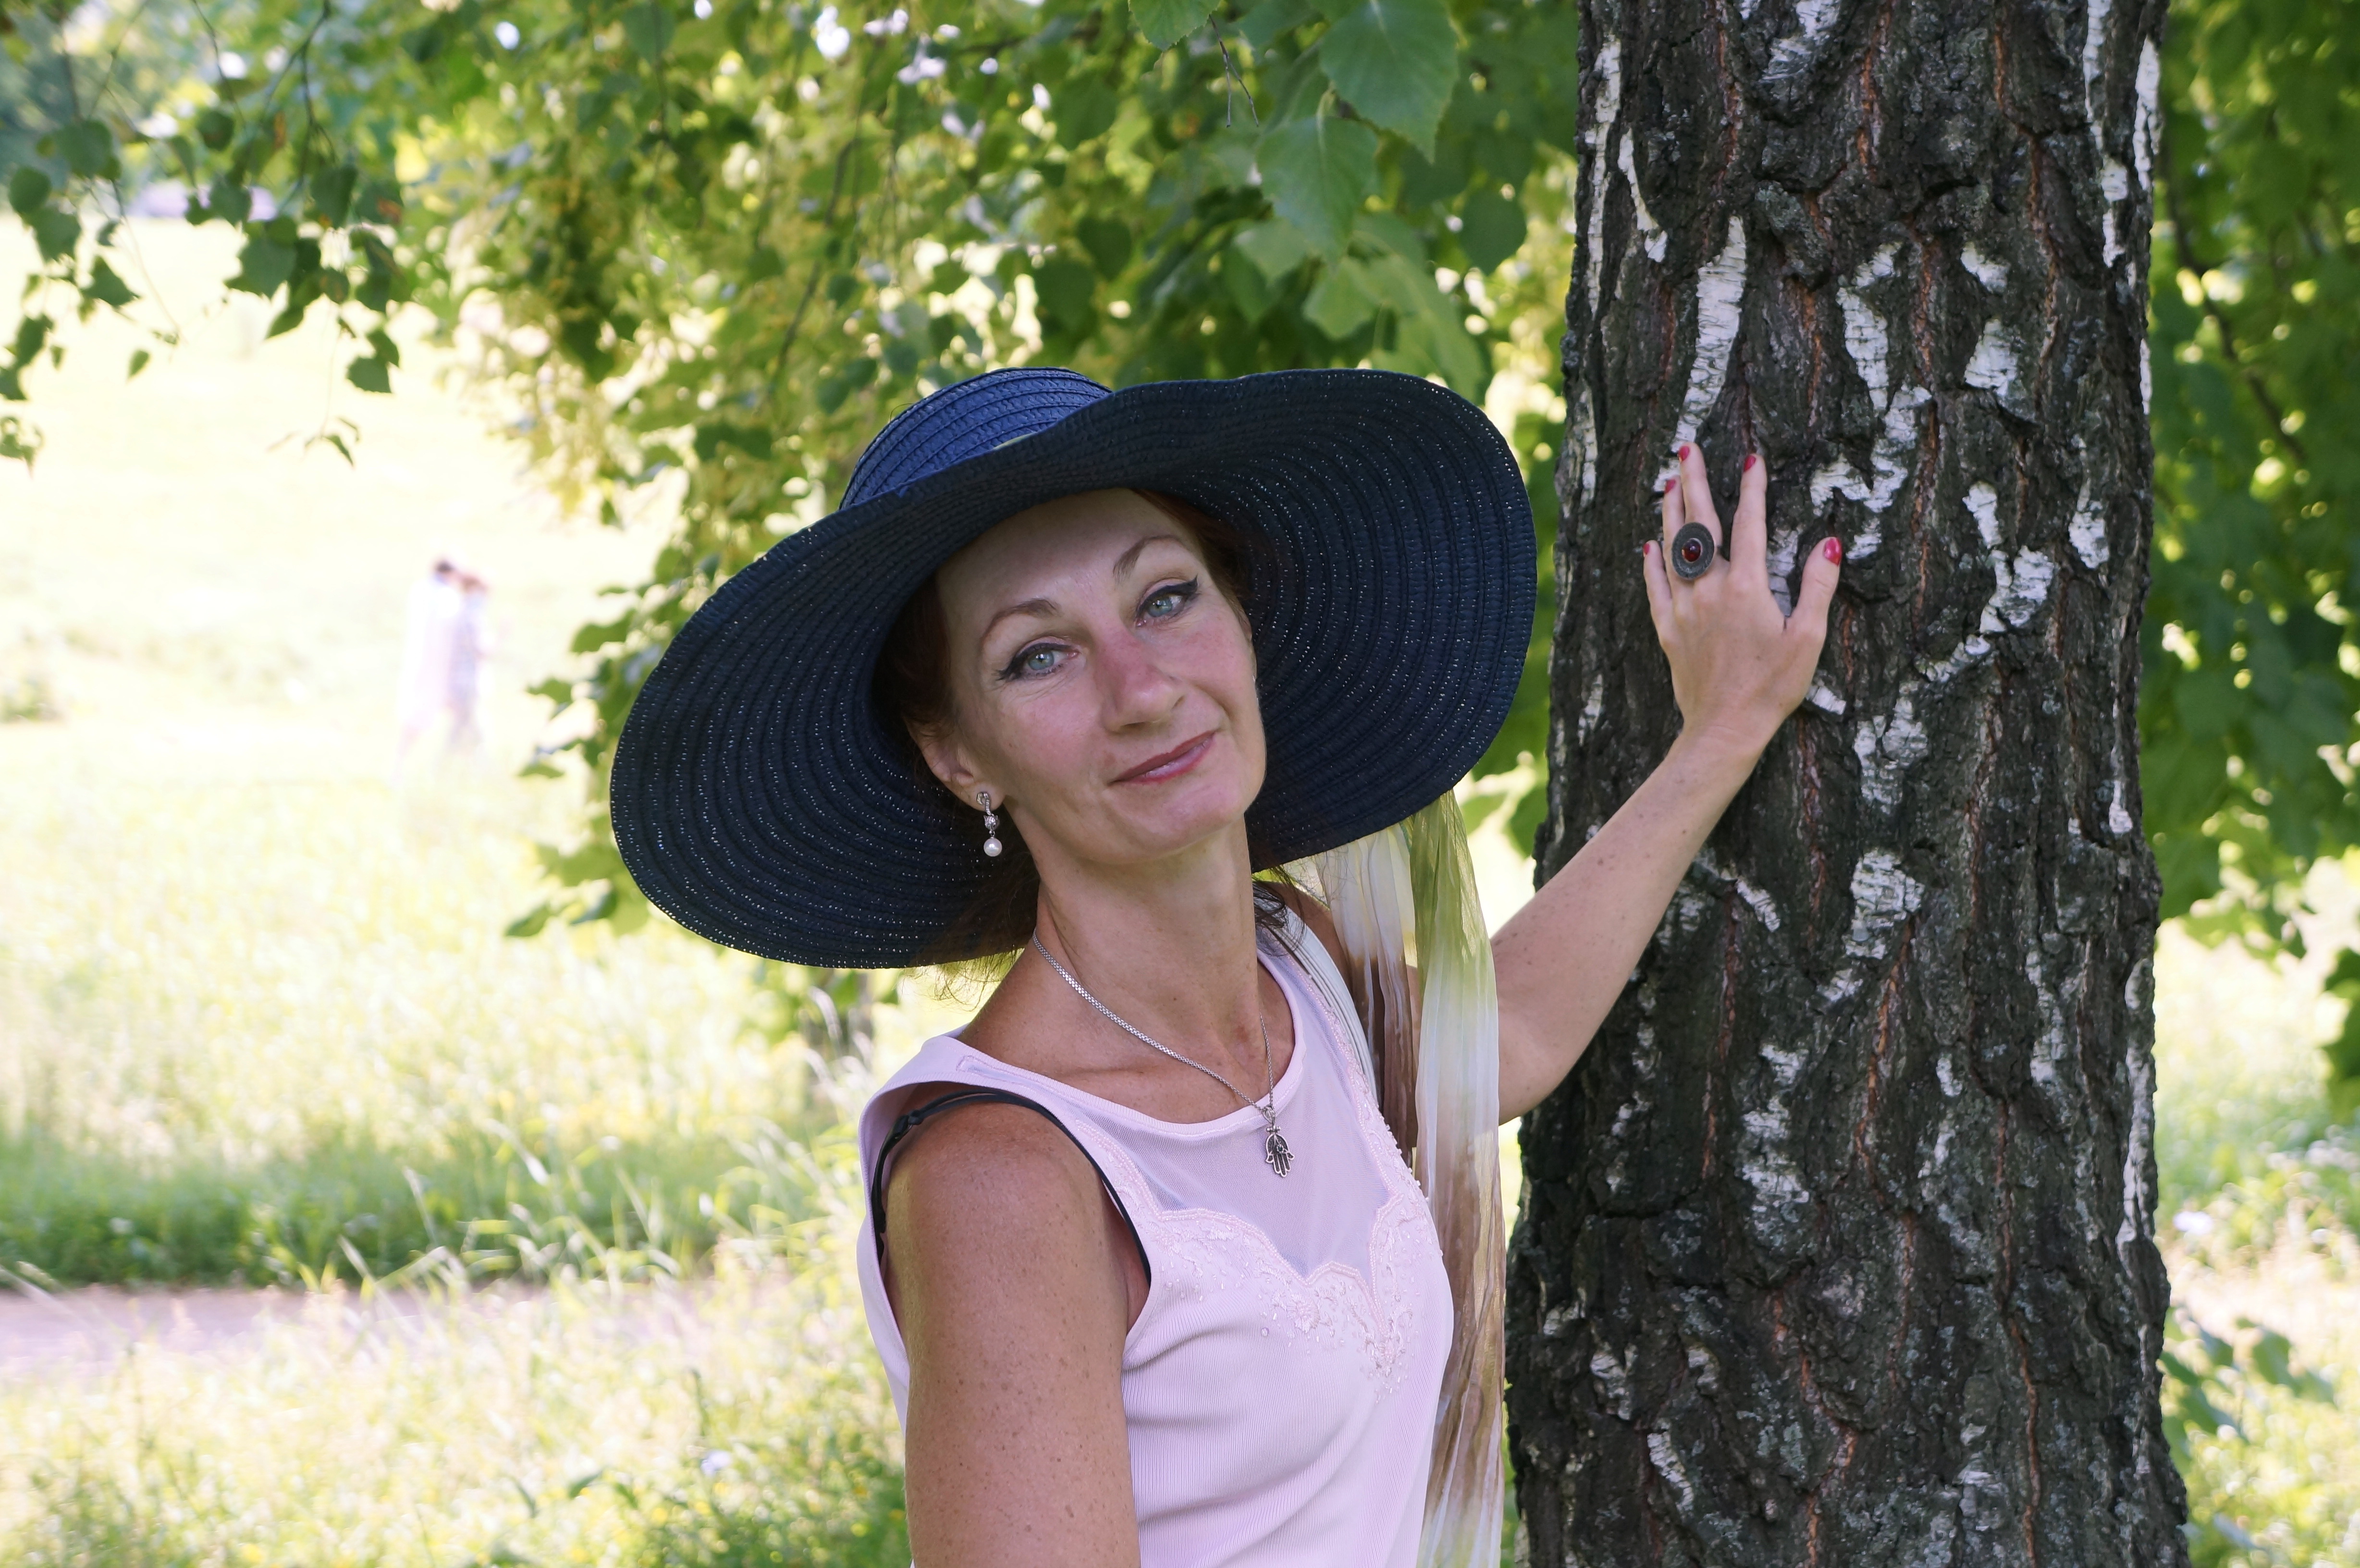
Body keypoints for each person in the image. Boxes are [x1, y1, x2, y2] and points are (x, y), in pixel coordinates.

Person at [607, 368, 1840, 1568]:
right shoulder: (1004, 1177)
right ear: (958, 757)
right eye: (1036, 656)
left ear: (1240, 618)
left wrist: (1721, 731)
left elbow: (1504, 1032)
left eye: (1164, 597)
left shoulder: (1296, 973)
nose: (1143, 690)